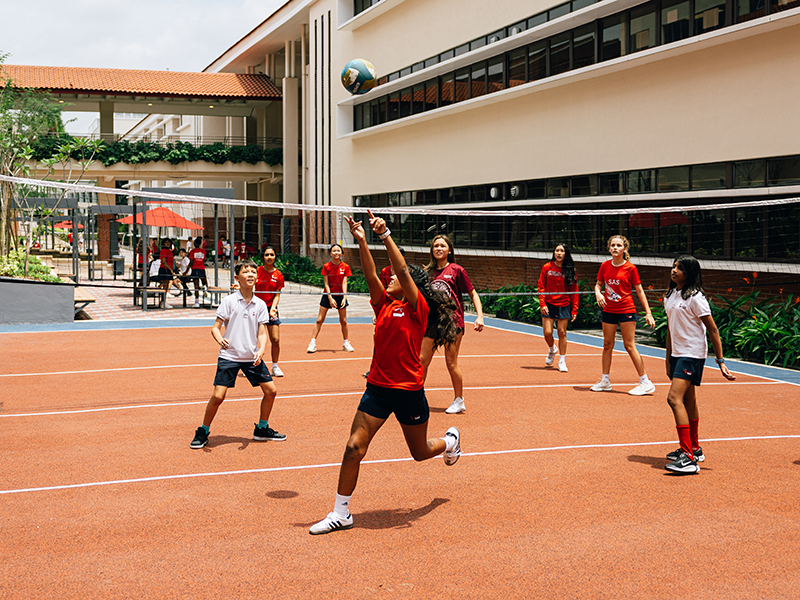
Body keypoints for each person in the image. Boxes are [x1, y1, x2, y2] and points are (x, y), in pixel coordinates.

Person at [309, 211, 461, 535]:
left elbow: (403, 270)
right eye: (387, 277)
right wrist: (361, 240)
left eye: (393, 278)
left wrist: (385, 234)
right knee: (353, 447)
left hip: (408, 392)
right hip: (377, 388)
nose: (388, 278)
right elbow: (369, 274)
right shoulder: (384, 305)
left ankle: (449, 441)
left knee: (419, 453)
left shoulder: (417, 307)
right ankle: (341, 512)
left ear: (409, 286)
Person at [190, 259, 286, 449]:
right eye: (245, 271)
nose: (250, 274)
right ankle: (203, 430)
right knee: (218, 397)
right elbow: (215, 328)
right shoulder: (229, 301)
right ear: (237, 278)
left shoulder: (259, 304)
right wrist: (220, 339)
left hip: (252, 357)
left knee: (271, 391)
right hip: (230, 357)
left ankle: (262, 428)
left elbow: (262, 333)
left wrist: (261, 349)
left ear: (256, 278)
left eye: (253, 271)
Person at [662, 255, 735, 474]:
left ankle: (688, 459)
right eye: (674, 266)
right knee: (688, 398)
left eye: (680, 268)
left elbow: (713, 330)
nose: (674, 270)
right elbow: (670, 329)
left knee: (673, 398)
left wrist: (720, 361)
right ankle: (694, 448)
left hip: (692, 353)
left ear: (690, 273)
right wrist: (668, 359)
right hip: (678, 353)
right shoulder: (671, 295)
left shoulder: (696, 298)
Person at [420, 234, 484, 414]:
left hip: (453, 322)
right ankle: (416, 397)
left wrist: (480, 316)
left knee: (451, 362)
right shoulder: (427, 272)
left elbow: (473, 293)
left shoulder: (457, 270)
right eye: (435, 246)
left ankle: (459, 400)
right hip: (432, 321)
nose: (439, 248)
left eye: (442, 245)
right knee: (422, 361)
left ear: (449, 250)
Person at [591, 235, 656, 395]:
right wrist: (598, 293)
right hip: (609, 310)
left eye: (618, 245)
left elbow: (639, 290)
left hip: (626, 309)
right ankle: (605, 380)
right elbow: (598, 284)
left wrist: (648, 312)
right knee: (607, 345)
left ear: (624, 249)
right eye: (612, 245)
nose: (615, 248)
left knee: (629, 345)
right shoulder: (605, 266)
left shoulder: (630, 268)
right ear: (609, 248)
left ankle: (645, 381)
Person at [538, 243, 579, 373]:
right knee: (548, 333)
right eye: (557, 250)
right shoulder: (547, 267)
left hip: (564, 304)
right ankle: (552, 349)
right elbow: (541, 286)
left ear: (565, 253)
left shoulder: (570, 270)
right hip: (549, 303)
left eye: (561, 251)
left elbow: (574, 290)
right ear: (554, 253)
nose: (559, 253)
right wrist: (542, 303)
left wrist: (574, 309)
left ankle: (562, 360)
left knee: (562, 332)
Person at [307, 243, 354, 353]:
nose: (336, 252)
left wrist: (344, 297)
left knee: (343, 321)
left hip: (340, 296)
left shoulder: (345, 267)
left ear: (341, 253)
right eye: (334, 251)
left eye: (338, 250)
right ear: (331, 253)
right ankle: (312, 343)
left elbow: (344, 283)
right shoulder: (326, 266)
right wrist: (330, 298)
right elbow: (326, 284)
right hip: (328, 295)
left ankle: (345, 343)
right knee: (319, 320)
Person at [256, 245, 285, 377]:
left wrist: (273, 308)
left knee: (275, 339)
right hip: (256, 307)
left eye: (271, 255)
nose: (269, 257)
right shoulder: (256, 271)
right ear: (263, 257)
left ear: (275, 257)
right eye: (267, 255)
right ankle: (251, 364)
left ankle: (275, 366)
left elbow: (277, 294)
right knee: (251, 339)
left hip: (270, 308)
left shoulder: (278, 274)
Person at [189, 236, 208, 309]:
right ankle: (205, 288)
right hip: (202, 268)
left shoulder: (192, 251)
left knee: (196, 285)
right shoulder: (203, 251)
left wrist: (187, 270)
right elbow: (204, 260)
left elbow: (191, 261)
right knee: (204, 280)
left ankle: (197, 302)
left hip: (195, 269)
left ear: (194, 244)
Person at [158, 239, 178, 305]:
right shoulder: (164, 251)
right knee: (165, 286)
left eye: (169, 242)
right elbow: (164, 262)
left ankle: (163, 301)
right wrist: (171, 270)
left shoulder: (169, 251)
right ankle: (163, 301)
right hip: (165, 269)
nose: (168, 243)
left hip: (167, 269)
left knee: (166, 286)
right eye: (166, 242)